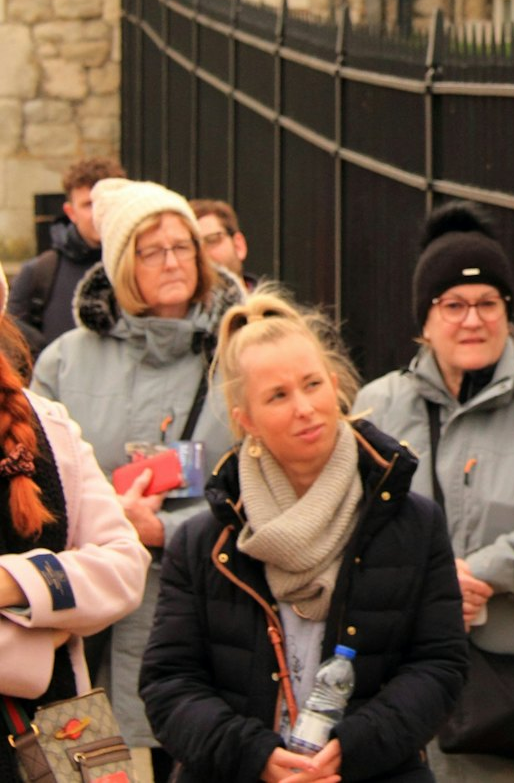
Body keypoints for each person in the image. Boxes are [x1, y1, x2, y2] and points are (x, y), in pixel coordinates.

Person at [139, 289, 469, 783]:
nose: (304, 408)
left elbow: (439, 666)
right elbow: (169, 685)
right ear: (245, 420)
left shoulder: (412, 523)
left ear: (334, 387)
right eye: (278, 396)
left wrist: (352, 748)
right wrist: (254, 756)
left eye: (312, 385)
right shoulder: (203, 543)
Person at [354, 202, 514, 783]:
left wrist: (481, 573)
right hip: (402, 684)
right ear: (424, 321)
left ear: (507, 311)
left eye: (488, 303)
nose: (472, 320)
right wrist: (429, 586)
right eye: (453, 305)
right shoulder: (376, 408)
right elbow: (349, 526)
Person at [31, 177, 243, 775]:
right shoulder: (65, 360)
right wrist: (107, 522)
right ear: (124, 265)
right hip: (87, 631)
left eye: (183, 247)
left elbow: (264, 481)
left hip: (206, 619)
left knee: (196, 758)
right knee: (88, 767)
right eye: (153, 251)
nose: (173, 262)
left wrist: (166, 532)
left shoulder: (238, 352)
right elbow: (31, 485)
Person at [0, 265, 151, 780]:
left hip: (62, 728)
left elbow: (125, 566)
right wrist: (34, 646)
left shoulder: (50, 426)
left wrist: (15, 583)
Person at [7, 156, 125, 355]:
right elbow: (12, 346)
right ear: (70, 212)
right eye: (88, 205)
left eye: (106, 203)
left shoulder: (147, 267)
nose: (99, 213)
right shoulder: (39, 273)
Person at [191, 198, 257, 290]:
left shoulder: (272, 299)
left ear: (238, 246)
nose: (203, 255)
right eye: (193, 247)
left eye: (212, 240)